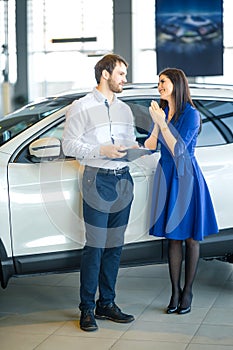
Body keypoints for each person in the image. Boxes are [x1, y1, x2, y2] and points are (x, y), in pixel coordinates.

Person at [62, 54, 138, 331]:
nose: (124, 79)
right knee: (95, 247)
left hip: (123, 180)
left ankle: (107, 303)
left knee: (114, 247)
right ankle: (87, 308)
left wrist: (135, 149)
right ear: (105, 74)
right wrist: (100, 150)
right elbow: (69, 145)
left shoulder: (125, 109)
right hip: (97, 180)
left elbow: (130, 141)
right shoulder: (80, 107)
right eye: (121, 74)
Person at [145, 68, 219, 315]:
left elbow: (179, 150)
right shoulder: (164, 112)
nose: (159, 87)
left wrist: (162, 123)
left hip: (186, 177)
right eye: (158, 83)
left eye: (163, 82)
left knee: (190, 238)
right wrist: (157, 122)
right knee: (173, 237)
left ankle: (187, 290)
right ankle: (174, 291)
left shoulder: (191, 115)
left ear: (176, 83)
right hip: (167, 176)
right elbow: (151, 145)